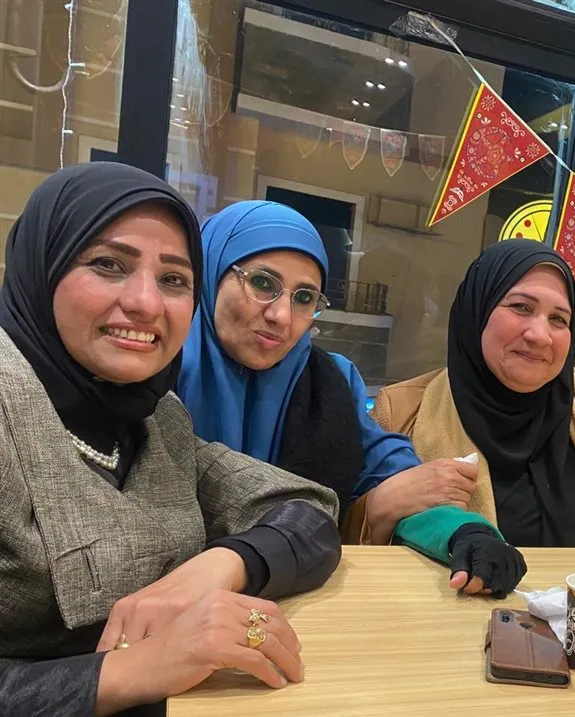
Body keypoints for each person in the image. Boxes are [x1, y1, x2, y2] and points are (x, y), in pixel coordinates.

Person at [0, 163, 342, 717]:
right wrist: (125, 672)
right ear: (42, 265)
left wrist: (218, 567)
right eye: (108, 264)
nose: (145, 302)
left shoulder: (153, 419)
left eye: (174, 279)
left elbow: (307, 508)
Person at [177, 201, 524, 595]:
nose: (281, 316)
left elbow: (390, 473)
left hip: (294, 598)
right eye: (262, 283)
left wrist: (465, 533)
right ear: (209, 273)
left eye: (304, 298)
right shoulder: (158, 377)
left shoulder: (330, 381)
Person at [370, 239, 575, 557]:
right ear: (479, 309)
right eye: (521, 307)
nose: (539, 336)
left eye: (558, 319)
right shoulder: (402, 412)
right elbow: (352, 535)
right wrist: (380, 502)